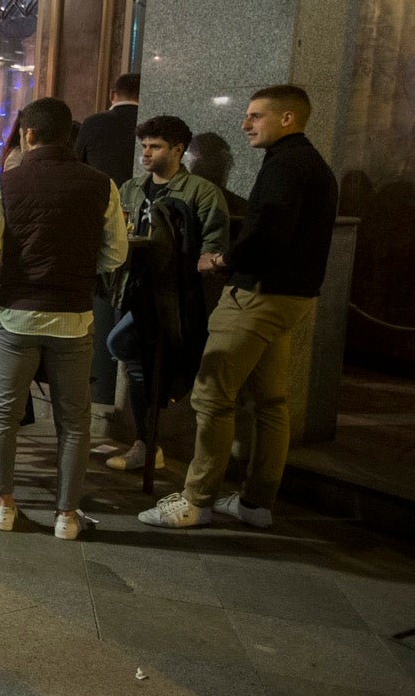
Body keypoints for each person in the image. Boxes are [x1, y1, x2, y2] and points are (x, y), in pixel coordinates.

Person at [139, 85, 339, 530]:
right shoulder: (311, 164)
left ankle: (197, 499)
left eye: (255, 116)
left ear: (287, 119)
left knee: (211, 394)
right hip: (291, 296)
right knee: (269, 400)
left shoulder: (286, 165)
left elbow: (269, 231)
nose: (246, 125)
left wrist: (222, 260)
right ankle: (255, 501)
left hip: (258, 295)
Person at [0, 97, 129, 540]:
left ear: (28, 134)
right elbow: (116, 252)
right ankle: (67, 515)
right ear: (71, 136)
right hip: (74, 317)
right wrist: (81, 271)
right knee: (74, 421)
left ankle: (2, 503)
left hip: (16, 316)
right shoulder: (103, 185)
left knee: (3, 413)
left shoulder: (7, 185)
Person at [105, 115, 229, 472]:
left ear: (178, 150)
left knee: (126, 348)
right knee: (137, 366)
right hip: (131, 289)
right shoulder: (131, 188)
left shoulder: (201, 193)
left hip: (171, 295)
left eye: (155, 146)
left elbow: (213, 248)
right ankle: (147, 442)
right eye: (143, 145)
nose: (146, 153)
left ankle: (149, 439)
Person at [76, 74, 144, 405]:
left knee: (103, 309)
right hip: (136, 236)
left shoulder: (96, 123)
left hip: (96, 227)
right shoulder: (147, 124)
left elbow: (77, 167)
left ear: (113, 94)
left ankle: (98, 388)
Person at [75, 73, 143, 186]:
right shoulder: (150, 123)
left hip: (101, 195)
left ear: (112, 95)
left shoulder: (92, 122)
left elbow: (77, 161)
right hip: (141, 197)